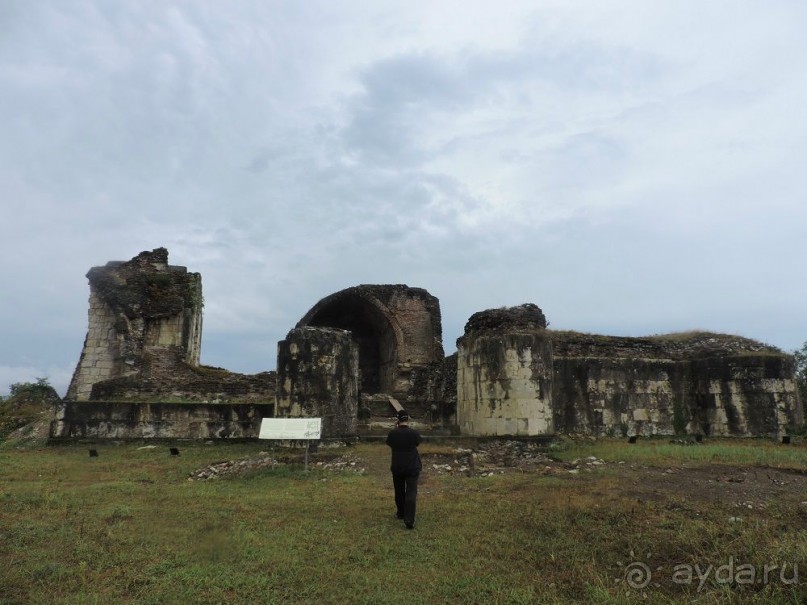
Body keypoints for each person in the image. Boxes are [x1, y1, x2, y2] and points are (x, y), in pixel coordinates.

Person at [386, 409, 422, 529]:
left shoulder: (393, 433)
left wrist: (395, 428)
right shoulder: (414, 433)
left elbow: (390, 443)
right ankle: (409, 519)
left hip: (397, 466)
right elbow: (417, 443)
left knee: (399, 491)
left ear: (397, 419)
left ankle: (401, 512)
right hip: (412, 466)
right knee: (411, 492)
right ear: (408, 419)